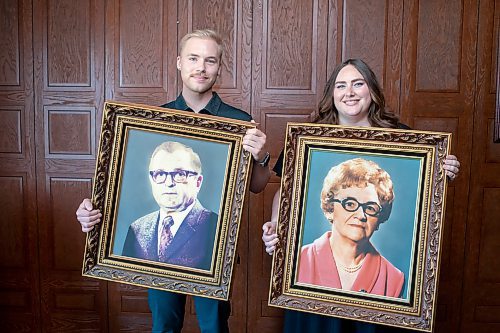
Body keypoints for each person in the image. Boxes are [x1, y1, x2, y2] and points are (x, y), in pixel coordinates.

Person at [77, 29, 271, 333]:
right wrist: (93, 210)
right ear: (179, 62)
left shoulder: (239, 121)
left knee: (214, 325)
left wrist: (260, 156)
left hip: (214, 249)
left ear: (219, 67)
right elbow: (120, 181)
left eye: (210, 60)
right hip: (159, 255)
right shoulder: (153, 120)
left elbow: (257, 186)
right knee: (164, 324)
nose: (201, 67)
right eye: (193, 58)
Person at [262, 58, 461, 332]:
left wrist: (442, 169)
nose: (350, 92)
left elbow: (424, 188)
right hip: (309, 302)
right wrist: (276, 225)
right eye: (341, 85)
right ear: (332, 94)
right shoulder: (307, 138)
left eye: (358, 83)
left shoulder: (401, 138)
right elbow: (285, 191)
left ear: (372, 91)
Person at [297, 158, 404, 297]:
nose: (361, 215)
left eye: (370, 208)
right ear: (330, 208)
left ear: (379, 218)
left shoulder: (394, 278)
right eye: (350, 204)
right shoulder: (298, 261)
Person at [121, 141, 218, 271]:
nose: (168, 183)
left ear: (197, 182)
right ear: (152, 180)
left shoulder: (216, 226)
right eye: (160, 174)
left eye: (179, 174)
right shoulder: (137, 229)